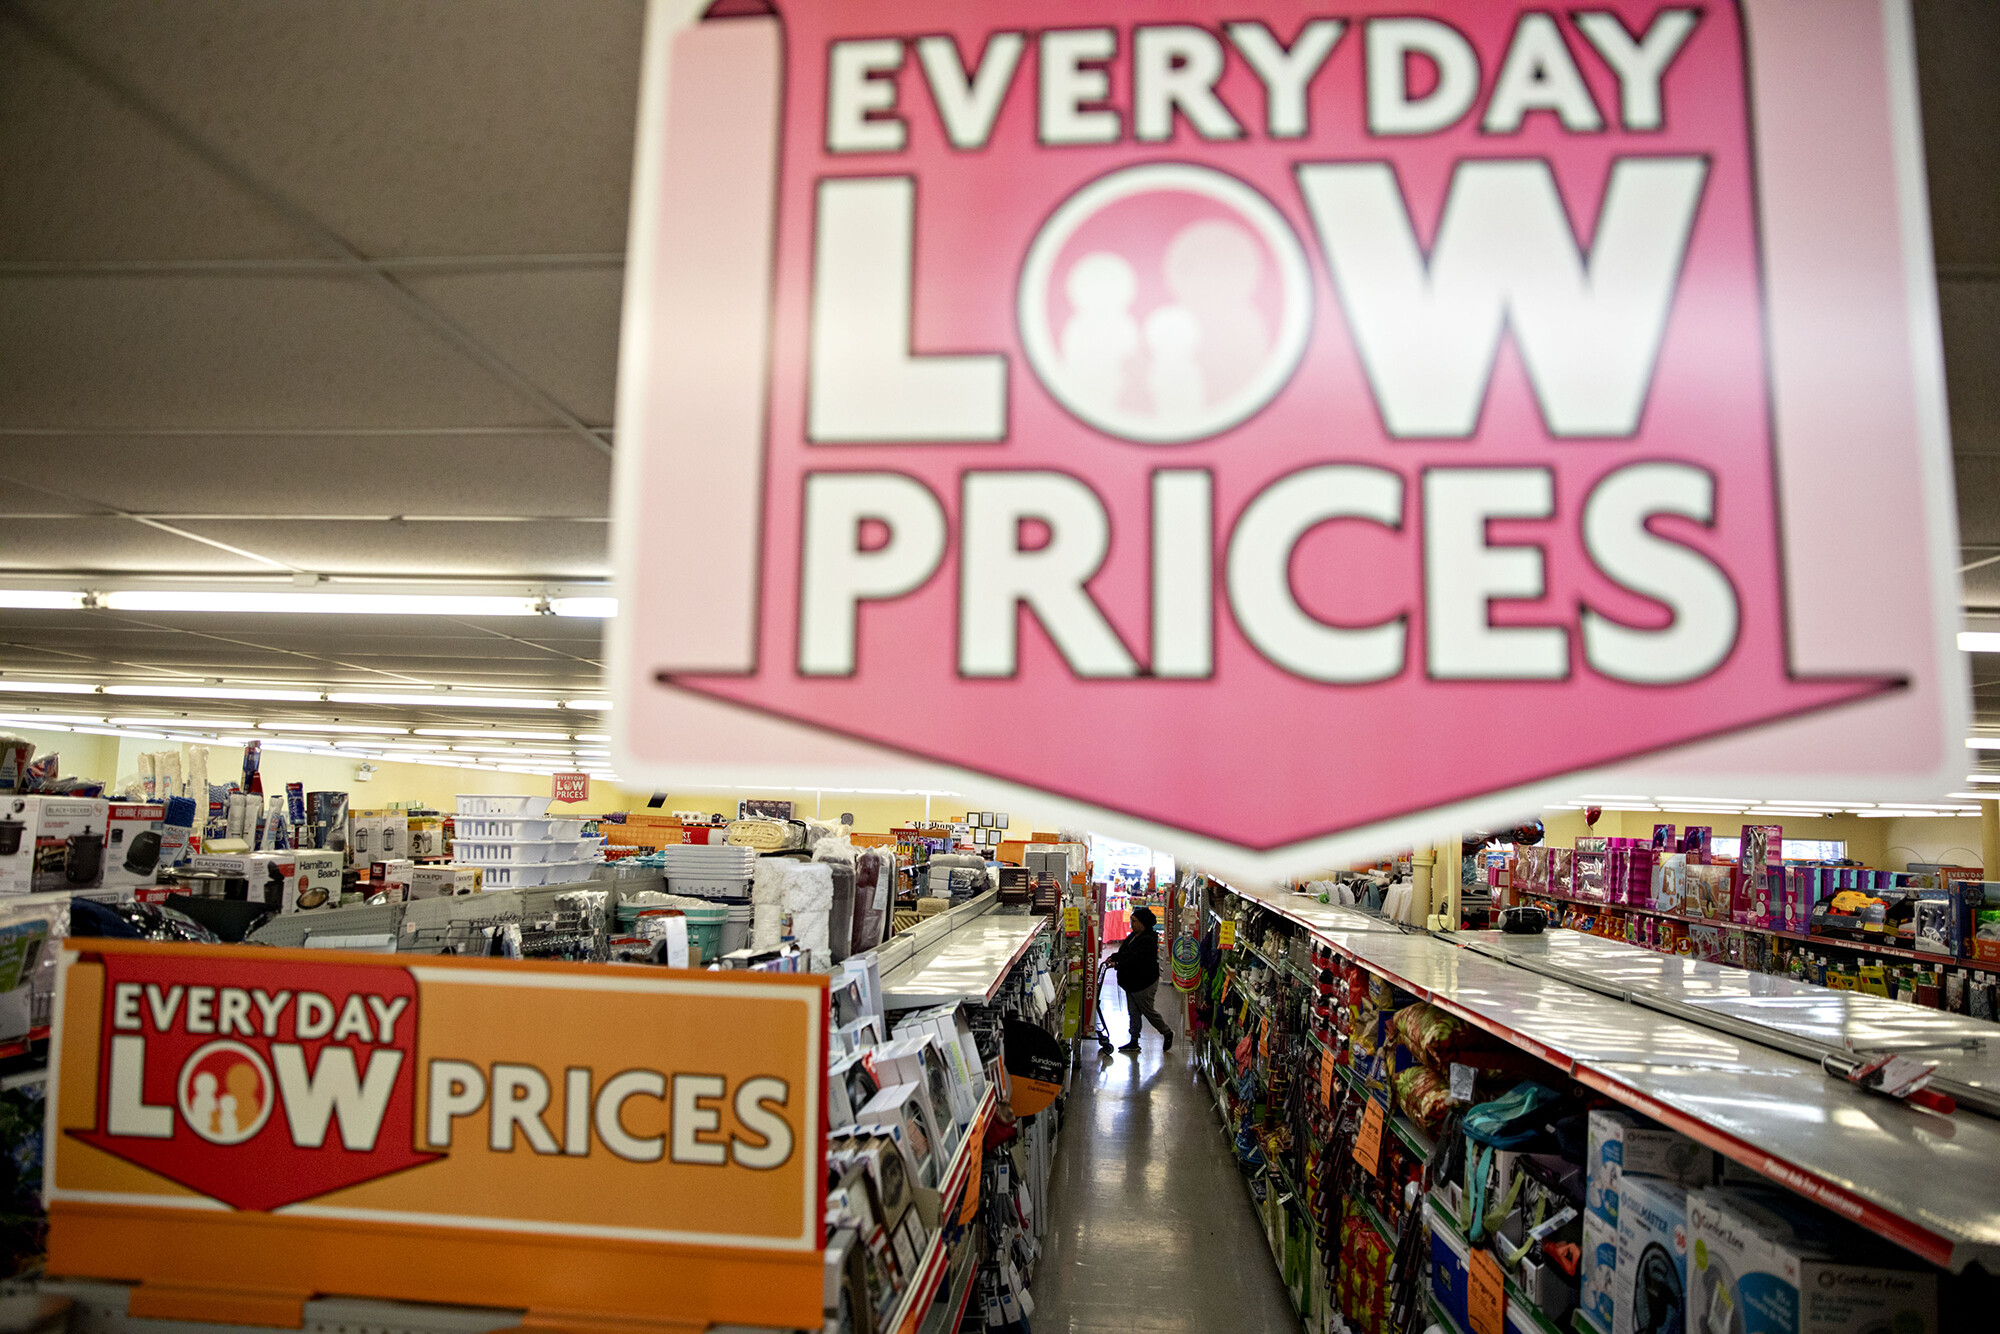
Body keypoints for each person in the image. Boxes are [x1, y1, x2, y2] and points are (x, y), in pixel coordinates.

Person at [1106, 906, 1172, 1054]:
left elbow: (1136, 959)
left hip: (1144, 983)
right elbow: (1126, 953)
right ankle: (1134, 1040)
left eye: (1134, 921)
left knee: (1148, 1011)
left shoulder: (1148, 940)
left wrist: (1118, 964)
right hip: (1132, 982)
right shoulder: (1135, 936)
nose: (1132, 923)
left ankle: (1167, 1032)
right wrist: (1115, 957)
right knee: (1133, 1012)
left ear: (1143, 923)